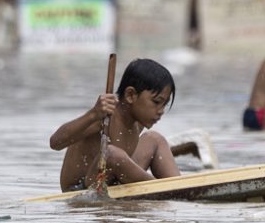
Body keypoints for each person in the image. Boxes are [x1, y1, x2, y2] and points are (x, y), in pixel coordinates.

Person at [50, 58, 180, 191]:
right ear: (130, 95)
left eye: (165, 104)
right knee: (111, 154)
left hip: (113, 182)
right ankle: (166, 190)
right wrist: (93, 113)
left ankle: (180, 186)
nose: (161, 111)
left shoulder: (138, 123)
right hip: (82, 189)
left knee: (155, 139)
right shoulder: (104, 117)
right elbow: (55, 142)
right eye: (156, 102)